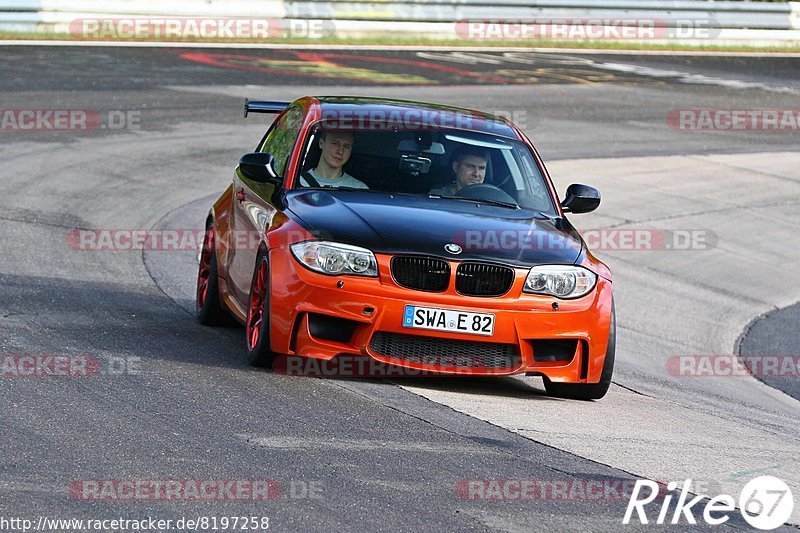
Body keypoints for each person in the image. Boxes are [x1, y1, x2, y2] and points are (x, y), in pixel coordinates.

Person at [299, 130, 368, 189]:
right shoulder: (298, 183)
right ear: (321, 143)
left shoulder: (359, 189)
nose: (340, 151)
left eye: (346, 146)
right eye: (335, 143)